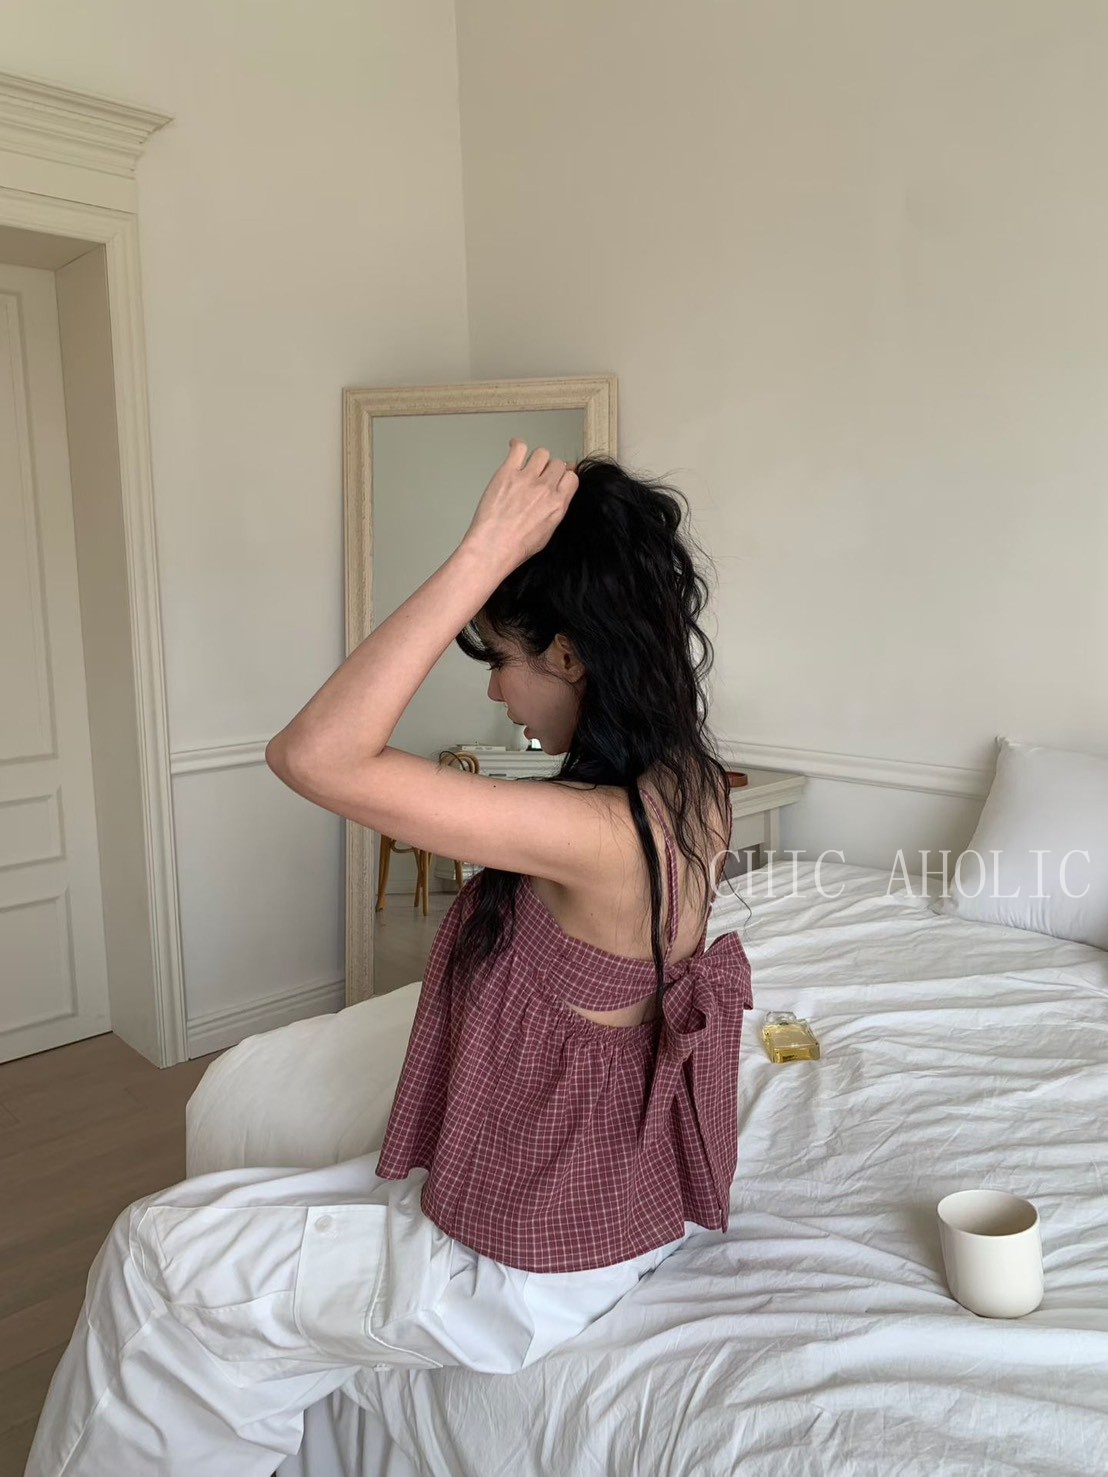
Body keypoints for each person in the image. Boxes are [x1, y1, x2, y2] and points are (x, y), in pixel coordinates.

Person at [26, 441, 753, 1476]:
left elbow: (312, 755)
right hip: (594, 1198)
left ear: (570, 655)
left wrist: (483, 551)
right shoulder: (687, 784)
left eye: (499, 657)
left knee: (154, 1258)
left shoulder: (596, 834)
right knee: (181, 1226)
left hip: (530, 1257)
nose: (496, 690)